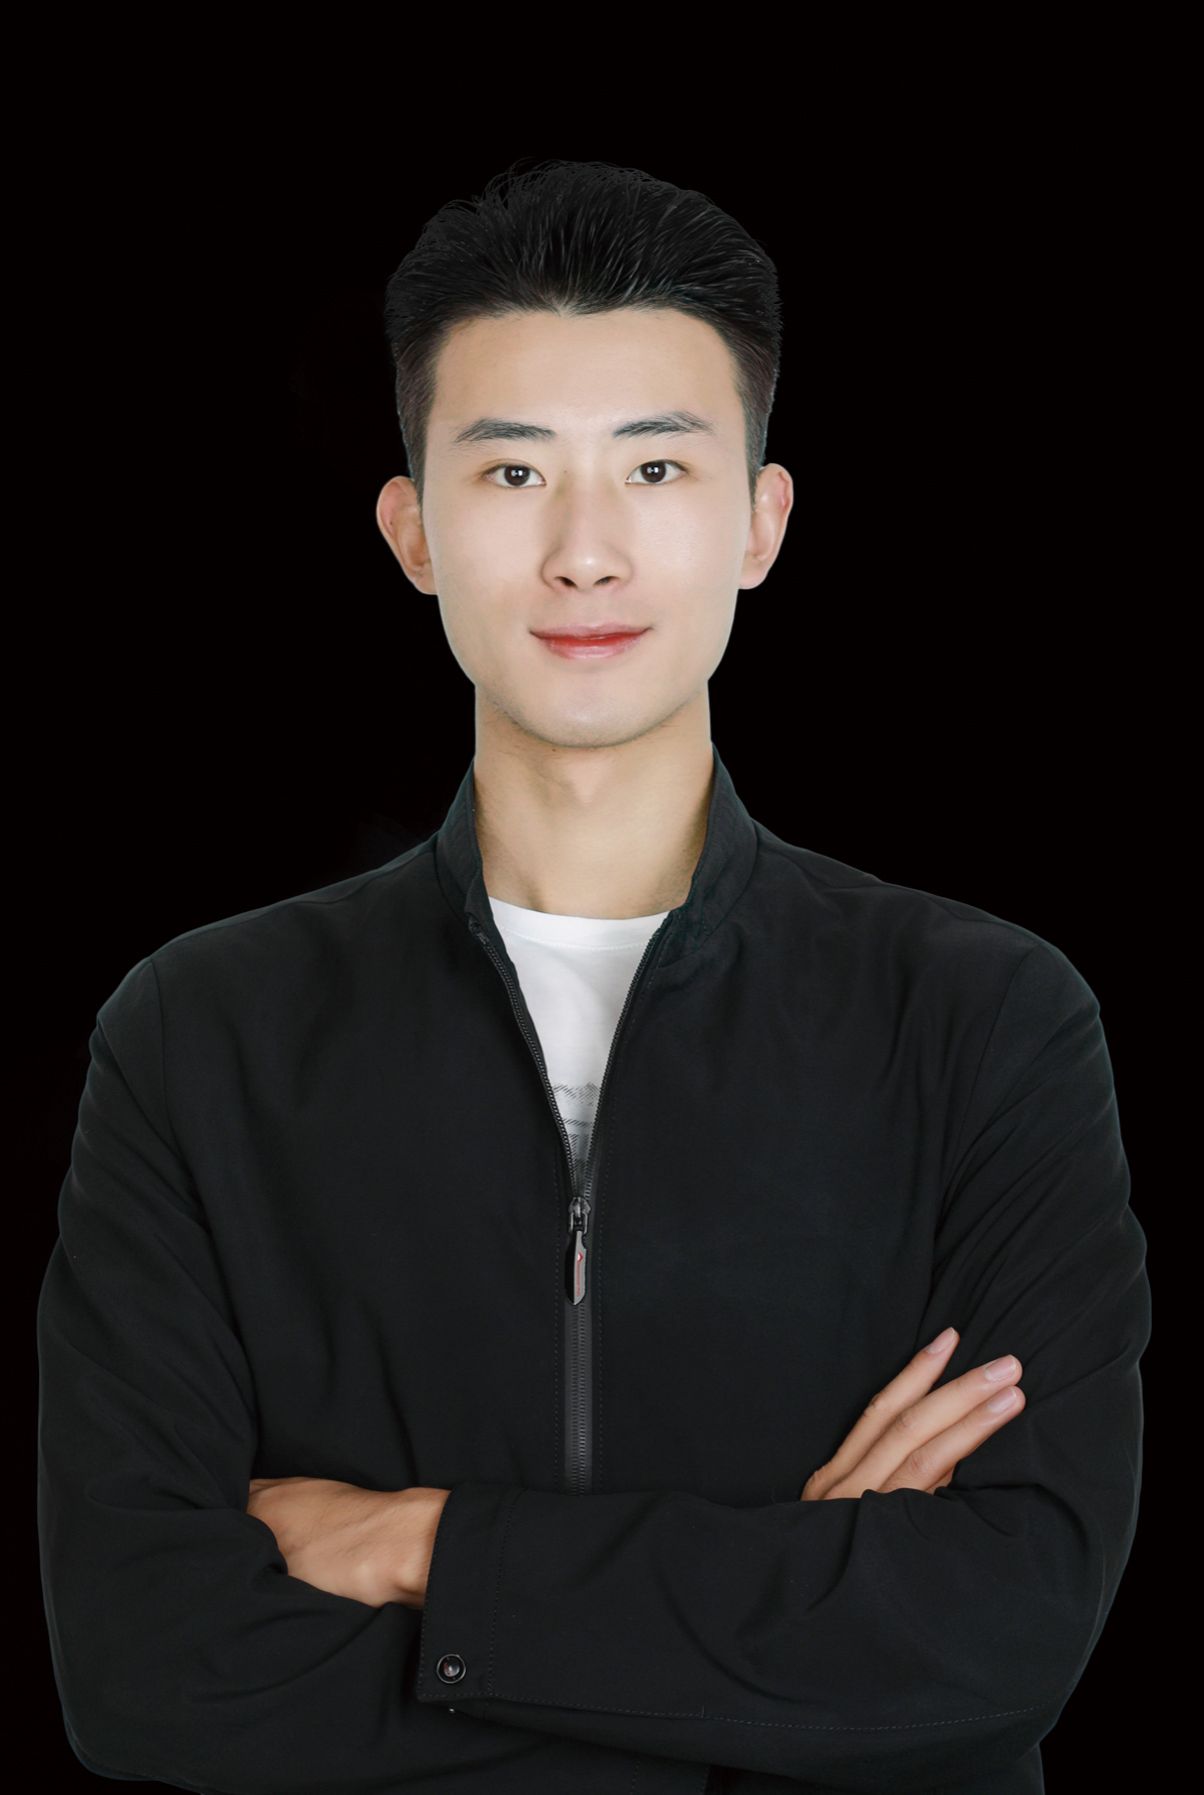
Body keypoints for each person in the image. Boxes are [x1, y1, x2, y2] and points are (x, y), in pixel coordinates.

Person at [37, 157, 1149, 1795]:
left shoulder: (987, 1019)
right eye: (511, 472)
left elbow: (1008, 1633)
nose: (585, 552)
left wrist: (422, 1550)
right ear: (412, 531)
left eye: (656, 466)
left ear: (761, 523)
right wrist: (786, 1650)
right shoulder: (201, 1036)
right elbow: (145, 1670)